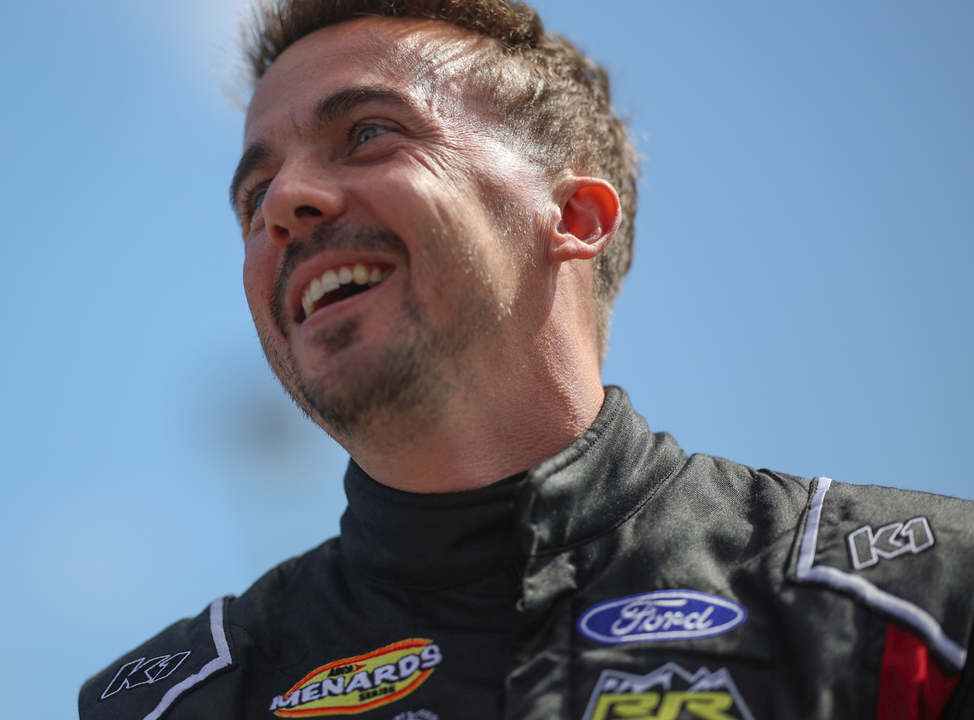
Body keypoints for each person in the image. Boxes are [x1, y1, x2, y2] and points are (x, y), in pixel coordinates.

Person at [80, 1, 974, 718]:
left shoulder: (915, 601)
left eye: (367, 135)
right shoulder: (177, 697)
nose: (286, 204)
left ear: (577, 217)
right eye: (254, 195)